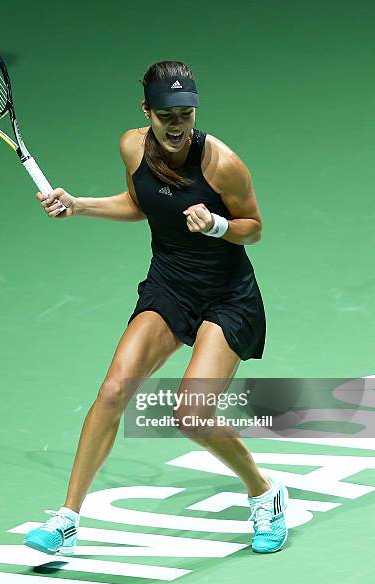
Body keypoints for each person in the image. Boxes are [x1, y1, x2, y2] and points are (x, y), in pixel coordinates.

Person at [23, 60, 288, 556]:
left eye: (185, 113)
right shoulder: (132, 146)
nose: (176, 124)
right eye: (166, 113)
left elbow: (254, 226)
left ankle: (265, 493)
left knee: (192, 413)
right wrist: (78, 204)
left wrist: (216, 226)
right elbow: (141, 202)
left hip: (227, 295)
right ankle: (67, 519)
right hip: (169, 286)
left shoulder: (221, 163)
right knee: (113, 389)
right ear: (147, 110)